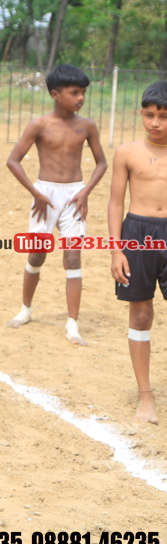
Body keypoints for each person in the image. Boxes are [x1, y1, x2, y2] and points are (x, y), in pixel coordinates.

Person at [6, 64, 107, 344]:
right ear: (55, 94)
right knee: (37, 254)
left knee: (72, 257)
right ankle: (25, 309)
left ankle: (72, 324)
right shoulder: (39, 125)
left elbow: (102, 163)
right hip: (45, 196)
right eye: (74, 92)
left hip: (75, 195)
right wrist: (36, 193)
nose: (81, 97)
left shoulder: (87, 126)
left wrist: (85, 192)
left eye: (83, 92)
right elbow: (13, 161)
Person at [108, 80, 167, 423]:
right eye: (149, 115)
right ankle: (145, 395)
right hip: (137, 236)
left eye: (163, 116)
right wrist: (116, 250)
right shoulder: (126, 153)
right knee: (141, 315)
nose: (155, 123)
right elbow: (116, 203)